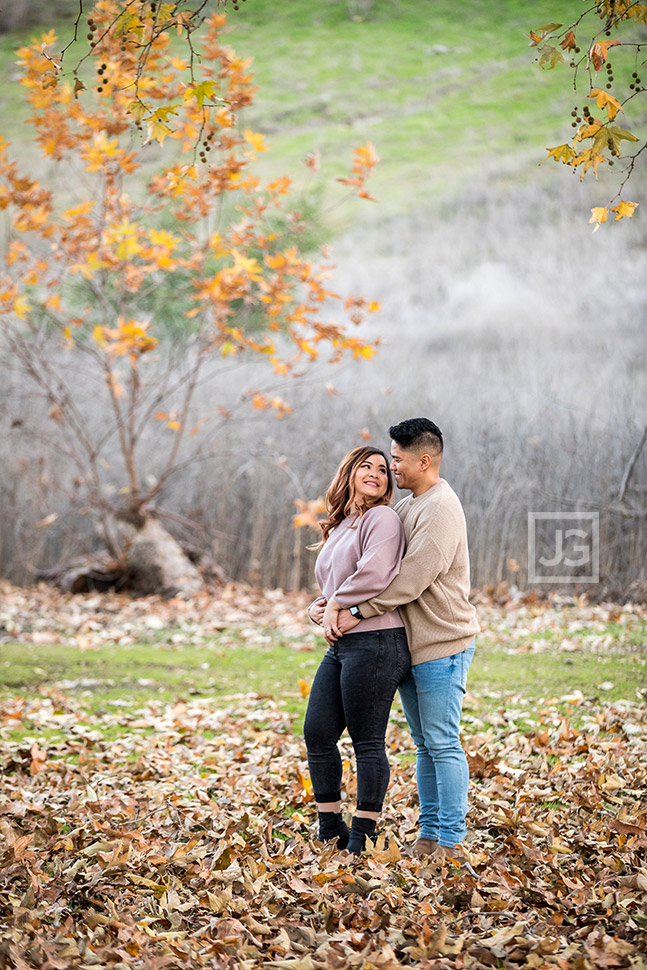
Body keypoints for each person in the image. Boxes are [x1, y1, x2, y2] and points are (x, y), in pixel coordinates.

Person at [325, 418, 480, 867]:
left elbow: (410, 579)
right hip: (413, 645)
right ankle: (429, 835)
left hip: (443, 643)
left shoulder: (441, 508)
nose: (391, 467)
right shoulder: (412, 504)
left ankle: (450, 842)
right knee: (424, 743)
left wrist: (355, 611)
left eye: (397, 459)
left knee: (442, 742)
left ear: (423, 460)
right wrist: (328, 604)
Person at [303, 445, 411, 855]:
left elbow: (376, 572)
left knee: (367, 740)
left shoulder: (382, 518)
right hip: (344, 642)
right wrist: (322, 604)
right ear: (348, 472)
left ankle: (364, 834)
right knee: (318, 732)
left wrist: (337, 603)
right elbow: (334, 583)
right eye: (366, 466)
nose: (376, 474)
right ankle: (330, 826)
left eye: (383, 469)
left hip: (379, 641)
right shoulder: (343, 523)